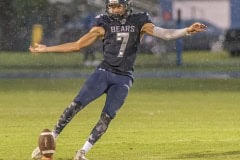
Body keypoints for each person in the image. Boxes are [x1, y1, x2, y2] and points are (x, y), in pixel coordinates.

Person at [30, 0, 207, 159]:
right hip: (104, 72)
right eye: (111, 6)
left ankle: (82, 152)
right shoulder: (102, 23)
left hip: (123, 77)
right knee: (76, 105)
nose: (114, 10)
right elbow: (77, 45)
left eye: (118, 6)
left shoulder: (139, 20)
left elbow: (165, 34)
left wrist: (187, 30)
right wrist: (47, 49)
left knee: (107, 116)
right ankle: (51, 138)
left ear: (127, 5)